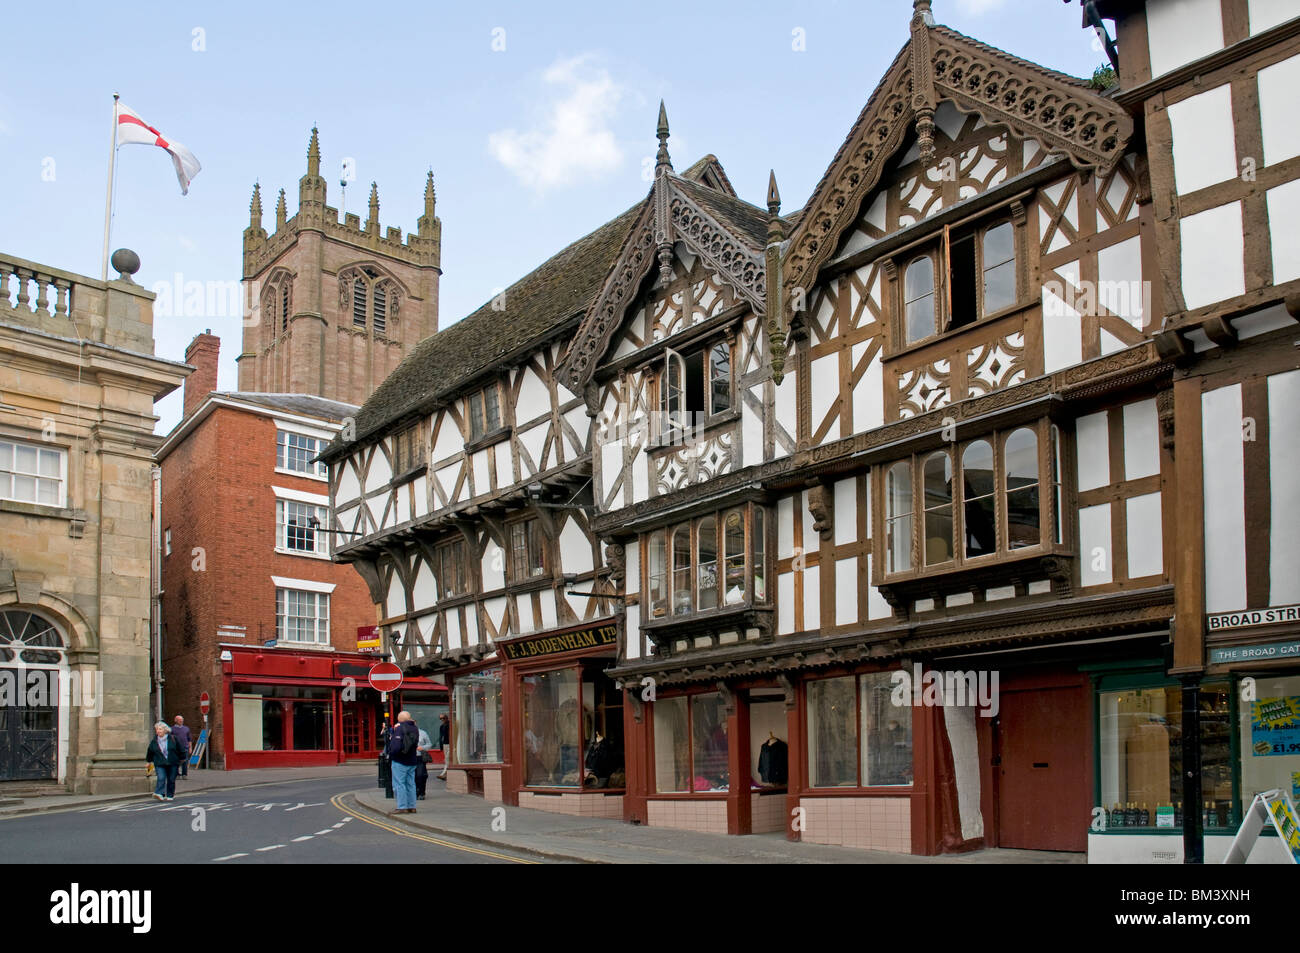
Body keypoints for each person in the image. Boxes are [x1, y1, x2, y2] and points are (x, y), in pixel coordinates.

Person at [387, 711, 421, 814]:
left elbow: (396, 746)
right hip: (412, 760)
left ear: (400, 720)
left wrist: (391, 754)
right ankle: (412, 806)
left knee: (399, 784)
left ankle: (402, 807)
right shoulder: (415, 728)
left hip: (400, 760)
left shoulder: (400, 728)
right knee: (411, 783)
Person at [145, 721, 184, 801]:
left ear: (165, 730)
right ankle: (159, 793)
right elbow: (150, 751)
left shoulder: (173, 738)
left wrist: (182, 759)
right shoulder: (154, 741)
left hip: (172, 762)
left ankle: (170, 795)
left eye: (160, 729)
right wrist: (149, 762)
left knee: (171, 779)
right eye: (157, 729)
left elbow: (181, 750)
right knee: (161, 777)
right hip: (159, 762)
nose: (158, 731)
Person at [414, 724, 432, 800]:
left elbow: (429, 744)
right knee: (412, 776)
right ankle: (415, 793)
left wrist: (422, 747)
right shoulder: (405, 733)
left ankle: (421, 792)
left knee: (420, 775)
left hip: (419, 757)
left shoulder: (422, 733)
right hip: (409, 758)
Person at [437, 713, 451, 780]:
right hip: (445, 743)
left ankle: (444, 774)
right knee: (447, 759)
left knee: (447, 758)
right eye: (440, 719)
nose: (442, 720)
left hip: (450, 743)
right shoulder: (442, 726)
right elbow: (441, 736)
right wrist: (441, 745)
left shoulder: (450, 724)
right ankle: (446, 773)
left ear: (446, 718)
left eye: (443, 718)